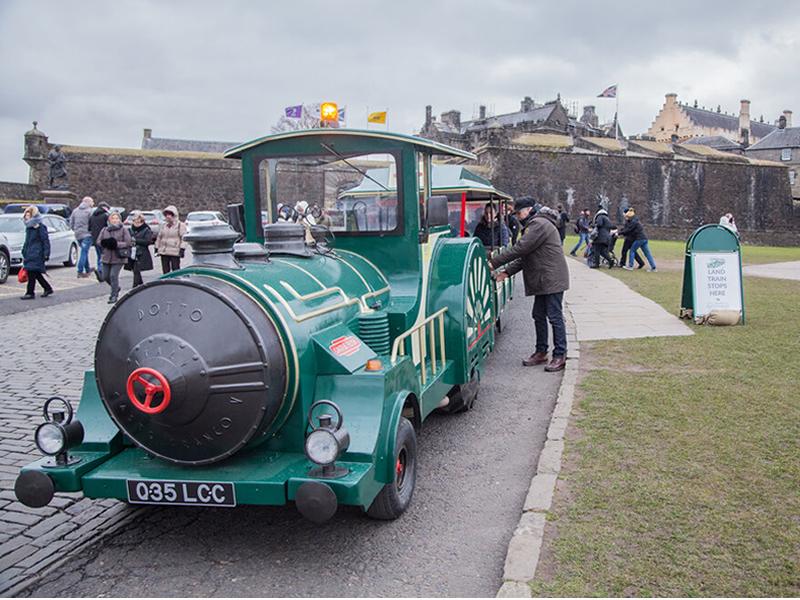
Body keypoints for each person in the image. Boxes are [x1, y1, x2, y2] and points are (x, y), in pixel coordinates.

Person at [490, 199, 570, 373]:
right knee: (538, 314)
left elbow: (520, 248)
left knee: (554, 316)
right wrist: (505, 273)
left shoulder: (539, 224)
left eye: (519, 213)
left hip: (551, 278)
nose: (517, 217)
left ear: (528, 210)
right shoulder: (536, 224)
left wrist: (493, 263)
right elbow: (525, 256)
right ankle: (541, 352)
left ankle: (560, 355)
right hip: (545, 278)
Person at [19, 205, 54, 300]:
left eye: (28, 215)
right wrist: (24, 250)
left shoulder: (40, 227)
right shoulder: (29, 228)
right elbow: (27, 241)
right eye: (25, 215)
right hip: (29, 252)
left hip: (37, 253)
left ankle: (30, 292)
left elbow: (45, 240)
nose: (26, 217)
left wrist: (46, 253)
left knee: (31, 272)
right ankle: (47, 288)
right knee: (35, 272)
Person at [97, 211, 132, 303]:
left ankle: (114, 295)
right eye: (113, 218)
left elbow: (128, 242)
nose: (115, 220)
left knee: (113, 276)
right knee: (105, 276)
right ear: (109, 220)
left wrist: (116, 244)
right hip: (106, 256)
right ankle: (116, 288)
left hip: (118, 257)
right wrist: (105, 243)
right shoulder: (105, 230)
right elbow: (98, 241)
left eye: (117, 218)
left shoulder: (123, 230)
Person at [155, 205, 187, 273]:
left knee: (175, 269)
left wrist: (182, 249)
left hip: (175, 251)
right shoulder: (163, 225)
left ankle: (176, 282)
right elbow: (159, 237)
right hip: (164, 251)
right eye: (166, 214)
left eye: (170, 214)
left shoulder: (180, 225)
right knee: (165, 270)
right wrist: (156, 247)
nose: (168, 216)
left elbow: (183, 238)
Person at [69, 196, 94, 278]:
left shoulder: (75, 211)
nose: (93, 203)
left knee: (84, 251)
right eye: (92, 202)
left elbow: (71, 223)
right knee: (84, 252)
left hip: (78, 234)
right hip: (87, 234)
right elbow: (92, 224)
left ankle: (87, 269)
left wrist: (75, 230)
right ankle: (80, 271)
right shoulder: (90, 211)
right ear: (88, 202)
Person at [129, 211, 154, 288]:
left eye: (137, 220)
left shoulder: (146, 229)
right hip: (132, 252)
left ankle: (135, 287)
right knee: (135, 270)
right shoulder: (130, 229)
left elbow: (148, 241)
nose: (135, 222)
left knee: (137, 270)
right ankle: (141, 285)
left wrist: (136, 240)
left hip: (142, 252)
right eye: (134, 221)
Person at [591, 202, 615, 269]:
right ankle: (610, 261)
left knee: (596, 250)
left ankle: (596, 264)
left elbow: (599, 224)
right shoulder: (607, 218)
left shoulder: (600, 216)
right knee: (602, 251)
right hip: (607, 237)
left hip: (600, 237)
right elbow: (611, 226)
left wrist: (593, 225)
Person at [89, 201, 110, 278]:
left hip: (95, 239)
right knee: (105, 255)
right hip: (104, 239)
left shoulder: (92, 216)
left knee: (99, 255)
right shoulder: (105, 216)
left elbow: (89, 228)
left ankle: (100, 269)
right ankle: (102, 272)